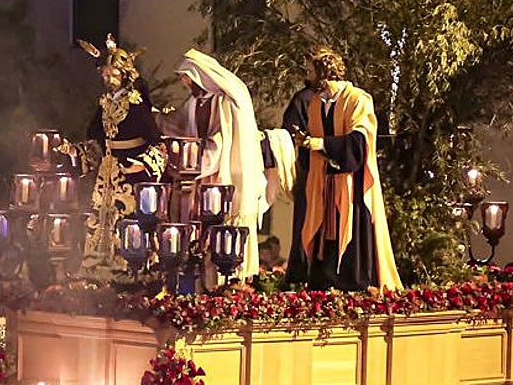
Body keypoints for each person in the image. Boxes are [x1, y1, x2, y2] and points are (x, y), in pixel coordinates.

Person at [282, 46, 401, 292]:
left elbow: (359, 143)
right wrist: (304, 144)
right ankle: (324, 282)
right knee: (323, 241)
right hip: (325, 186)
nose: (307, 75)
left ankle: (355, 285)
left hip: (351, 186)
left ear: (323, 73)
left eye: (310, 70)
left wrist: (319, 144)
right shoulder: (316, 104)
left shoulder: (358, 99)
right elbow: (312, 148)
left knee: (352, 241)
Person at [166, 48, 270, 280]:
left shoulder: (222, 103)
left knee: (221, 233)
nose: (183, 82)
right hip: (196, 178)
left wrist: (193, 167)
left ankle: (224, 284)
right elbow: (178, 128)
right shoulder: (192, 103)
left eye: (185, 76)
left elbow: (219, 142)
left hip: (218, 177)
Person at [77, 34, 165, 275]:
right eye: (104, 75)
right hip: (108, 168)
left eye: (112, 74)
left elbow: (156, 140)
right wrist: (82, 151)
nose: (108, 79)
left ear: (124, 74)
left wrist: (142, 165)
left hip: (131, 171)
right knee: (100, 218)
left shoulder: (135, 102)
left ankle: (131, 268)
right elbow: (94, 132)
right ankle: (96, 267)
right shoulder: (105, 102)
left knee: (129, 218)